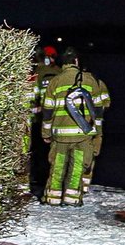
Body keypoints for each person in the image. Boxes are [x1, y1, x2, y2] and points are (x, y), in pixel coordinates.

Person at [41, 46, 110, 206]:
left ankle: (52, 198)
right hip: (82, 135)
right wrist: (97, 132)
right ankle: (72, 199)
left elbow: (47, 111)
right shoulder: (90, 80)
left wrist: (46, 133)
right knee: (77, 167)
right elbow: (98, 110)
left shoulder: (55, 81)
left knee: (57, 166)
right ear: (77, 61)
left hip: (60, 135)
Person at [28, 45, 61, 196]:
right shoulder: (60, 73)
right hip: (59, 120)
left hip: (40, 121)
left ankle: (39, 179)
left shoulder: (36, 74)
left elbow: (32, 99)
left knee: (38, 152)